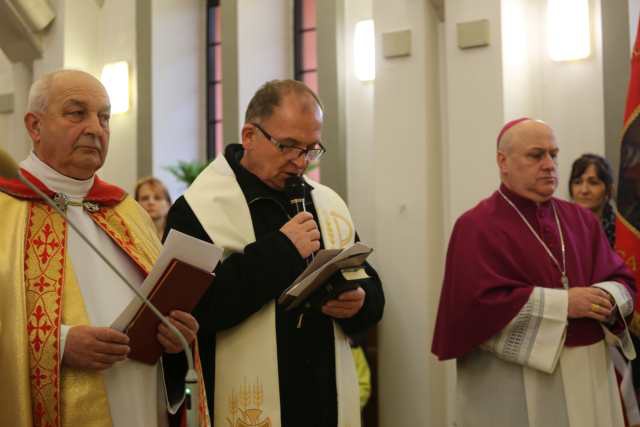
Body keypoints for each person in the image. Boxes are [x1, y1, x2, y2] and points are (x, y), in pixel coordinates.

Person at [165, 79, 385, 427]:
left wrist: (360, 301)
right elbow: (194, 310)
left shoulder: (325, 202)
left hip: (323, 398)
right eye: (288, 146)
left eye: (311, 149)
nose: (300, 162)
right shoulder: (197, 210)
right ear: (250, 135)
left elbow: (368, 283)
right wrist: (282, 250)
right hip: (248, 403)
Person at [0, 69, 208, 427]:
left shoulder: (126, 212)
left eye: (104, 117)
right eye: (76, 113)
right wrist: (59, 345)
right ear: (34, 126)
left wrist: (177, 340)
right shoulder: (6, 209)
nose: (95, 128)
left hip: (144, 404)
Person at [432, 117, 636, 427]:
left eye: (553, 154)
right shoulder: (475, 226)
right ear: (503, 161)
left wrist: (605, 297)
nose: (549, 164)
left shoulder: (581, 220)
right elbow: (472, 309)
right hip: (512, 383)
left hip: (588, 370)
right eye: (535, 155)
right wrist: (566, 304)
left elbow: (622, 280)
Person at [569, 153, 640, 427]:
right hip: (583, 323)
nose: (584, 189)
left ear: (607, 188)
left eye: (593, 182)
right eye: (578, 181)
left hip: (623, 324)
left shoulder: (625, 231)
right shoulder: (562, 226)